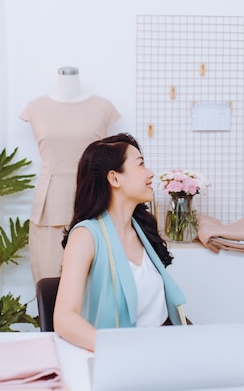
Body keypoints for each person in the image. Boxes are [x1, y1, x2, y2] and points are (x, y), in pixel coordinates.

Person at [53, 133, 187, 351]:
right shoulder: (86, 236)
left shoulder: (142, 229)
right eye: (141, 165)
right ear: (114, 179)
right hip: (122, 357)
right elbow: (64, 319)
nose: (150, 173)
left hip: (161, 349)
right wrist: (121, 352)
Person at [20, 67, 121, 284]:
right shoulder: (35, 107)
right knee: (50, 283)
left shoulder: (102, 107)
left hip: (94, 199)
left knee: (94, 284)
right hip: (50, 206)